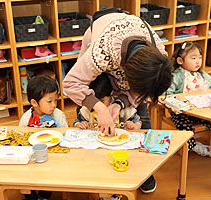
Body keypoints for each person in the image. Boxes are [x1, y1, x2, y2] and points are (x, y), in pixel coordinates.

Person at [63, 8, 173, 194]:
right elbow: (72, 83)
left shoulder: (159, 57)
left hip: (129, 43)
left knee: (142, 118)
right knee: (90, 105)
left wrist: (119, 103)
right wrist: (100, 108)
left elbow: (142, 94)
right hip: (102, 35)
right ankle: (92, 167)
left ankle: (144, 172)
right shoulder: (101, 52)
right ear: (127, 76)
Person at [165, 41, 211, 157]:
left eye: (200, 57)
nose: (198, 61)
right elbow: (167, 94)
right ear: (180, 61)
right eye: (193, 58)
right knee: (184, 127)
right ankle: (194, 146)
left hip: (200, 111)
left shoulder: (202, 74)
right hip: (182, 113)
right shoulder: (177, 75)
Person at [19, 75, 68, 200]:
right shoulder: (26, 118)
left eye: (55, 100)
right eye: (49, 101)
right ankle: (31, 196)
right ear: (34, 103)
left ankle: (44, 195)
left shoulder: (58, 115)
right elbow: (21, 137)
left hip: (53, 155)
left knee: (50, 175)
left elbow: (66, 134)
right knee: (23, 177)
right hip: (33, 155)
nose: (54, 105)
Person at [74, 73, 141, 130]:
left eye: (102, 101)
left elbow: (138, 122)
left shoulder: (120, 107)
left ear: (111, 92)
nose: (99, 106)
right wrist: (81, 125)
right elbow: (76, 122)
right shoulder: (87, 108)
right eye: (95, 102)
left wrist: (133, 126)